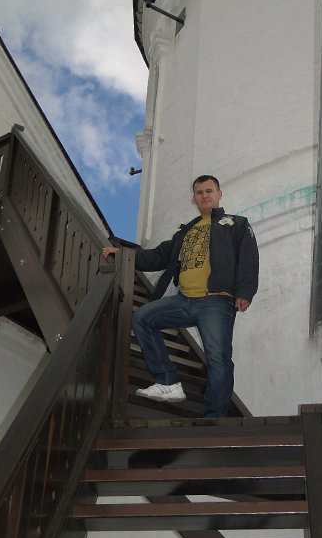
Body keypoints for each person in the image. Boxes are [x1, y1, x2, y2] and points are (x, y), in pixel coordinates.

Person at [103, 175, 259, 417]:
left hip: (216, 300)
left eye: (209, 191)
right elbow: (157, 257)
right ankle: (167, 382)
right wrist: (123, 254)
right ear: (194, 198)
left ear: (219, 194)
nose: (204, 196)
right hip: (184, 300)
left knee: (218, 359)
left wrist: (245, 292)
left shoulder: (236, 224)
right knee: (142, 317)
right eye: (199, 192)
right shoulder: (185, 232)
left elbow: (249, 258)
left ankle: (215, 416)